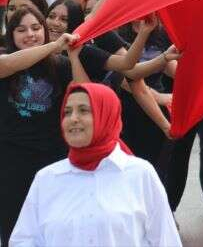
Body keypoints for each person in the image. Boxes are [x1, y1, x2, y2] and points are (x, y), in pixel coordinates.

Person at [9, 82, 182, 246]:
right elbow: (23, 240)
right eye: (67, 112)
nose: (73, 118)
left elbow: (165, 240)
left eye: (84, 110)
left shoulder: (140, 173)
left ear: (106, 116)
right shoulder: (47, 178)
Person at [0, 9, 84, 245]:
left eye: (36, 28)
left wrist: (73, 57)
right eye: (21, 30)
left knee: (52, 227)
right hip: (11, 160)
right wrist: (53, 46)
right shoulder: (6, 59)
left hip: (53, 158)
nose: (30, 34)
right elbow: (7, 64)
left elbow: (84, 93)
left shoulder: (60, 65)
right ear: (11, 35)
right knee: (13, 227)